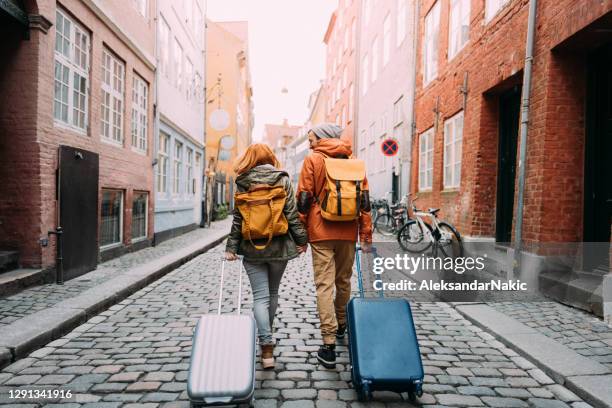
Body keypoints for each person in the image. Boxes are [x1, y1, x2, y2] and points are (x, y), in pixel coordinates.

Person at [296, 124, 372, 369]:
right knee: (344, 281)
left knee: (324, 285)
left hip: (321, 231)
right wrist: (366, 236)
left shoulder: (313, 160)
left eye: (312, 138)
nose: (309, 143)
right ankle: (341, 325)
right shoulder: (354, 162)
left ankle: (328, 344)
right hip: (348, 230)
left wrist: (300, 237)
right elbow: (365, 202)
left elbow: (304, 199)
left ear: (323, 138)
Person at [225, 144, 308, 369]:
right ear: (271, 158)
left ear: (249, 158)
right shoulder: (282, 179)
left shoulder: (242, 181)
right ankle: (267, 339)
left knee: (259, 297)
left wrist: (231, 248)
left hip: (252, 247)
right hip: (279, 246)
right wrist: (302, 240)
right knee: (272, 293)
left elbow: (238, 219)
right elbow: (291, 214)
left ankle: (266, 344)